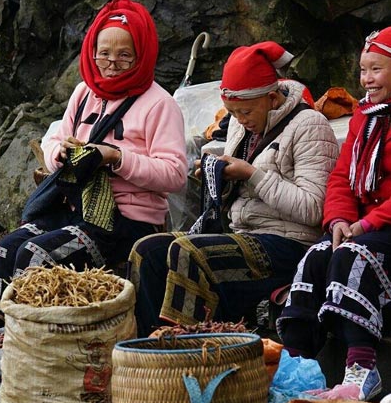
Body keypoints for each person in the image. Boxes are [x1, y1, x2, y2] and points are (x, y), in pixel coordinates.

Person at [0, 0, 187, 334]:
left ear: (141, 55)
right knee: (5, 249)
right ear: (91, 51)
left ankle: (34, 342)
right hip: (74, 210)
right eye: (104, 53)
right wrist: (59, 152)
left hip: (125, 223)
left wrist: (115, 157)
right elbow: (54, 139)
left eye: (124, 55)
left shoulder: (161, 104)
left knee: (35, 254)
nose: (111, 63)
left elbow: (174, 174)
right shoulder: (85, 93)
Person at [276, 24, 391, 401]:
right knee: (316, 255)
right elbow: (342, 178)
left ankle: (361, 369)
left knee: (352, 256)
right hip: (369, 229)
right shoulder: (368, 115)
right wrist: (339, 220)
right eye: (363, 70)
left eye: (376, 69)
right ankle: (295, 369)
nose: (367, 79)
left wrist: (366, 224)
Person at [128, 41, 339, 338]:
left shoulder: (310, 126)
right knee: (147, 250)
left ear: (272, 97)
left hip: (291, 245)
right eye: (233, 112)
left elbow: (314, 208)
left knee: (188, 251)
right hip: (245, 236)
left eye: (246, 111)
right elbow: (238, 198)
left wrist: (252, 174)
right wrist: (221, 178)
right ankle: (149, 349)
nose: (240, 120)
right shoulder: (242, 127)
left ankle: (190, 351)